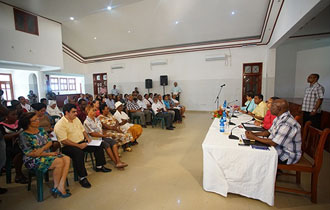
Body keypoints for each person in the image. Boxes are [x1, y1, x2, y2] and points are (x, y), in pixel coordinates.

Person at [54, 104, 111, 188]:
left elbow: (83, 130)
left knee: (99, 144)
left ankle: (99, 166)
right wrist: (78, 146)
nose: (76, 113)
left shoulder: (76, 119)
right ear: (66, 112)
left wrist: (87, 138)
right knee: (79, 153)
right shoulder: (60, 125)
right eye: (74, 112)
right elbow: (64, 141)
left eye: (76, 111)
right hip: (68, 146)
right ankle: (82, 177)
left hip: (81, 142)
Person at [18, 112, 71, 198]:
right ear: (28, 123)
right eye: (35, 120)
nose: (38, 121)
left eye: (38, 119)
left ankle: (60, 185)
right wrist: (48, 153)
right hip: (32, 160)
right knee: (59, 161)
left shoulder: (41, 130)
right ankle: (57, 187)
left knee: (67, 159)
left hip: (45, 154)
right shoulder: (23, 135)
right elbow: (30, 153)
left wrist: (41, 149)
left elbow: (49, 142)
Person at [245, 99, 302, 165]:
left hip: (286, 155)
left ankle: (264, 174)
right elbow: (268, 132)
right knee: (253, 150)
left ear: (279, 109)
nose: (269, 107)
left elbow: (274, 143)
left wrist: (254, 137)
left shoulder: (286, 123)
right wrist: (254, 134)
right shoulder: (279, 117)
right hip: (277, 148)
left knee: (255, 156)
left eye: (272, 106)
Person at [0, 106, 26, 183]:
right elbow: (4, 137)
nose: (15, 116)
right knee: (19, 152)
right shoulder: (2, 125)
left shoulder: (18, 123)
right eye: (13, 115)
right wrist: (17, 133)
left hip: (20, 143)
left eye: (16, 114)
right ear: (6, 116)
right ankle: (18, 174)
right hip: (6, 146)